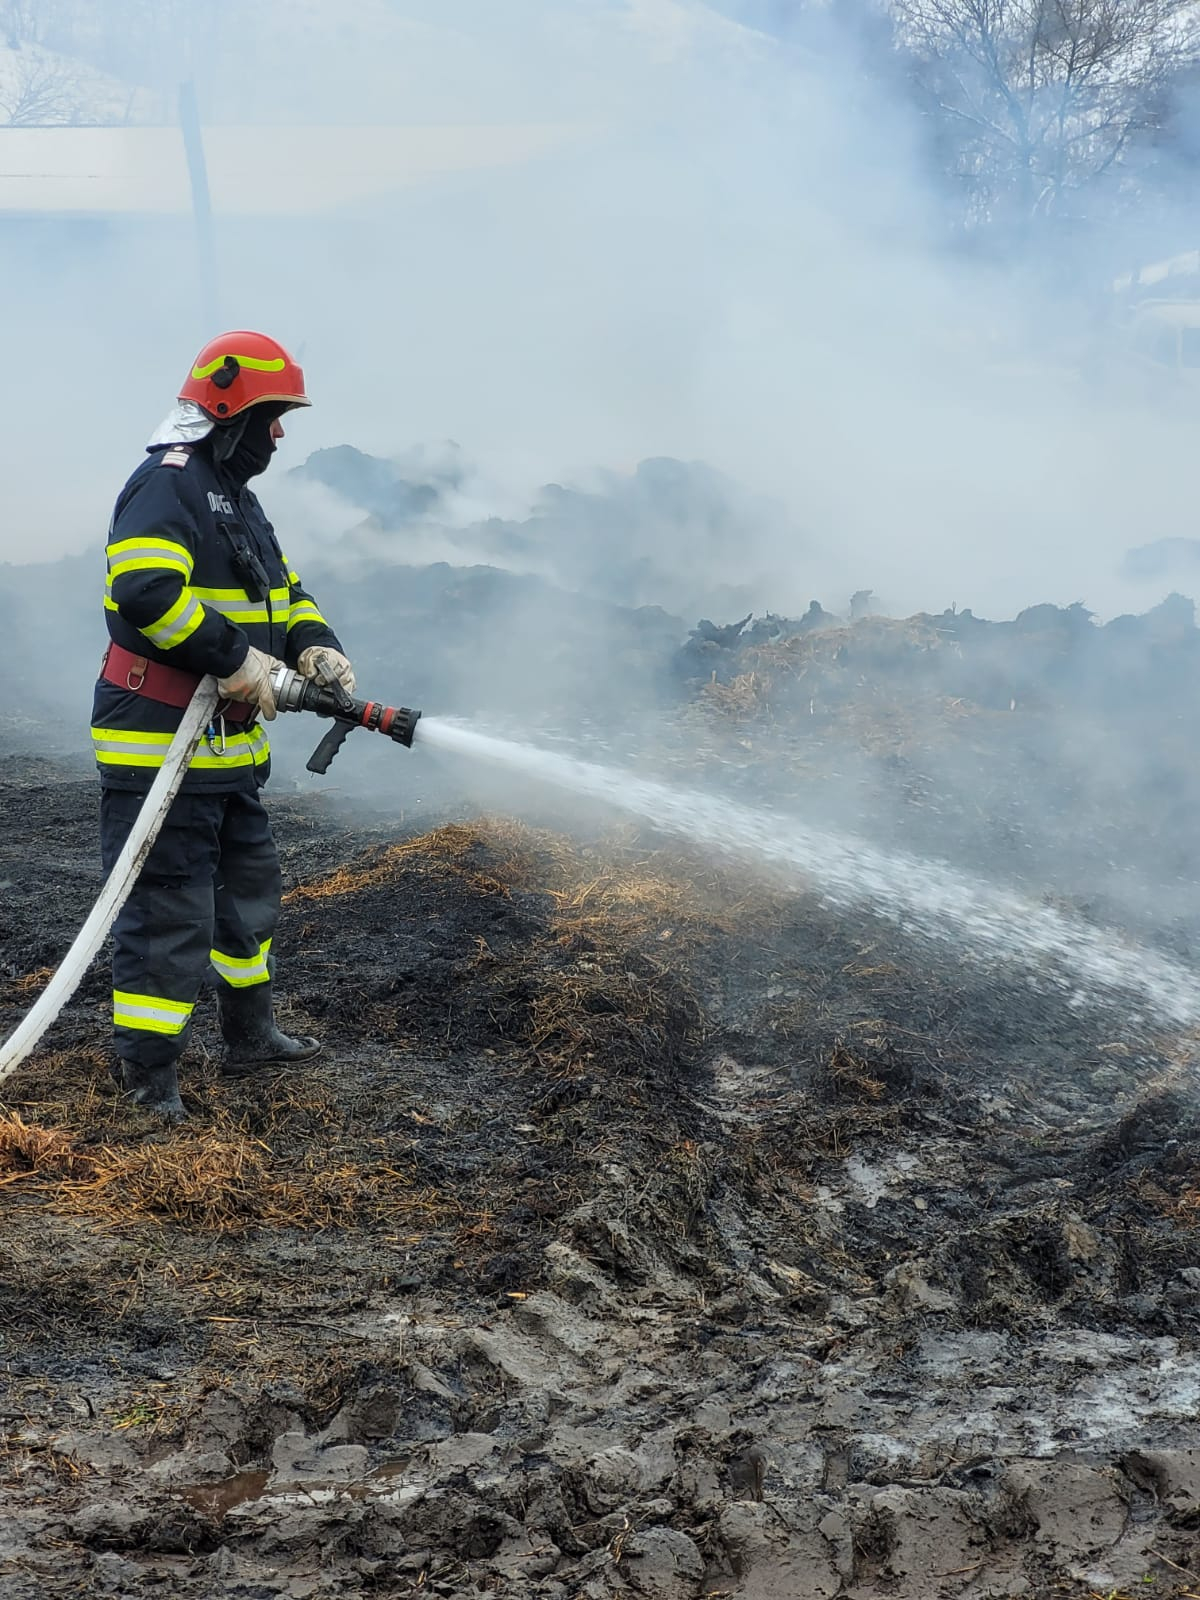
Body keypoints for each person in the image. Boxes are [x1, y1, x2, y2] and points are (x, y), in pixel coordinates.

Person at [92, 331, 355, 1121]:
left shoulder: (235, 498)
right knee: (168, 915)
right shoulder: (166, 485)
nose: (280, 434)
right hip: (160, 742)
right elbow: (142, 591)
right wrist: (239, 661)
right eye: (273, 416)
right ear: (232, 411)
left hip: (229, 749)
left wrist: (317, 650)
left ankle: (250, 1036)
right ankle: (149, 1081)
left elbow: (285, 593)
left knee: (247, 898)